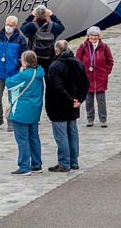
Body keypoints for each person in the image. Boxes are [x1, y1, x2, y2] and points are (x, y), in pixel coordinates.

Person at [45, 40, 89, 172]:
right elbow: (85, 84)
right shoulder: (78, 63)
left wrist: (70, 100)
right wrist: (79, 99)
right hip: (74, 105)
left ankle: (64, 163)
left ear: (56, 51)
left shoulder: (55, 66)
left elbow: (56, 87)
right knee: (73, 133)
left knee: (61, 135)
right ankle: (73, 161)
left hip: (59, 106)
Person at [6, 50, 45, 175]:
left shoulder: (24, 75)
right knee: (34, 138)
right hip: (35, 110)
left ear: (25, 62)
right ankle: (36, 164)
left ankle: (24, 166)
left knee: (22, 139)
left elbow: (9, 83)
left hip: (22, 111)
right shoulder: (39, 72)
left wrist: (21, 70)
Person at [0, 15, 28, 131]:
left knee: (12, 98)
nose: (8, 27)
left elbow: (25, 55)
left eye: (10, 25)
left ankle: (11, 121)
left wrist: (18, 64)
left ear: (15, 26)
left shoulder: (20, 39)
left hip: (13, 74)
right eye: (7, 24)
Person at [75, 26, 113, 128]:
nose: (93, 37)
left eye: (96, 35)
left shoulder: (104, 47)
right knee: (89, 100)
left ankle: (103, 119)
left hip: (100, 78)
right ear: (88, 36)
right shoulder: (83, 46)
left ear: (99, 36)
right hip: (87, 78)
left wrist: (106, 72)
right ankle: (90, 118)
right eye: (91, 35)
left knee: (101, 100)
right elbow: (77, 61)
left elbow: (110, 61)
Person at [21, 6, 65, 73]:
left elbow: (23, 27)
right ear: (46, 15)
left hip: (34, 59)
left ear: (36, 15)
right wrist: (52, 15)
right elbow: (62, 27)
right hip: (49, 58)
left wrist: (31, 16)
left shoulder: (31, 26)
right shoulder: (52, 26)